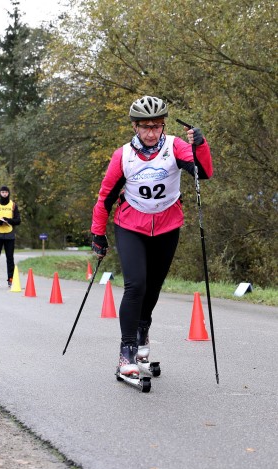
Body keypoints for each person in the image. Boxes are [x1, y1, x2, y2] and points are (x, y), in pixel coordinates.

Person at [90, 96, 213, 378]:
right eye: (145, 127)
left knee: (154, 286)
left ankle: (143, 330)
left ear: (163, 126)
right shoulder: (123, 155)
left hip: (168, 226)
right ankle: (127, 350)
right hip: (131, 225)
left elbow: (203, 173)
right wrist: (98, 233)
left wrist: (200, 145)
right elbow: (105, 198)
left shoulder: (175, 146)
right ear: (135, 127)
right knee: (136, 285)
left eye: (156, 126)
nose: (151, 133)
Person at [0, 186, 21, 287]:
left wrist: (8, 220)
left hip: (9, 235)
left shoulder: (13, 205)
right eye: (3, 192)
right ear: (0, 193)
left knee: (10, 258)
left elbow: (18, 220)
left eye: (6, 192)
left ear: (8, 193)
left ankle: (11, 279)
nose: (4, 194)